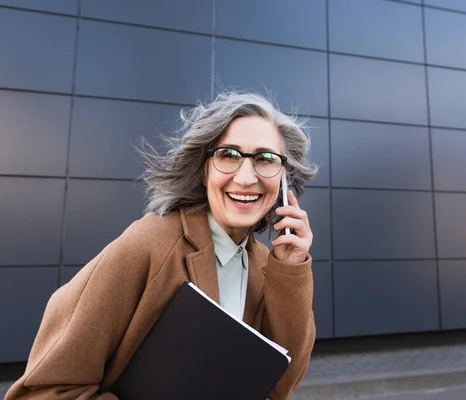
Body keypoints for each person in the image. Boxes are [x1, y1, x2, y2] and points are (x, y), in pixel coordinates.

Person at [6, 92, 318, 400]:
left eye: (265, 159)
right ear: (203, 168)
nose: (247, 177)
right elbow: (43, 392)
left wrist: (291, 270)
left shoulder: (267, 265)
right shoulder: (148, 244)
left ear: (283, 179)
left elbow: (279, 387)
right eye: (228, 155)